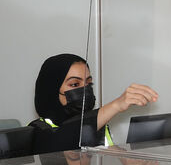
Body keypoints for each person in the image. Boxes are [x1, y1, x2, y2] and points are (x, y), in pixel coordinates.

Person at [28, 53, 158, 154]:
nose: (85, 90)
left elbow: (107, 160)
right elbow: (63, 140)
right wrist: (116, 105)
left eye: (88, 83)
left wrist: (125, 161)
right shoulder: (37, 131)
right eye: (74, 84)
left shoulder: (97, 125)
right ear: (51, 90)